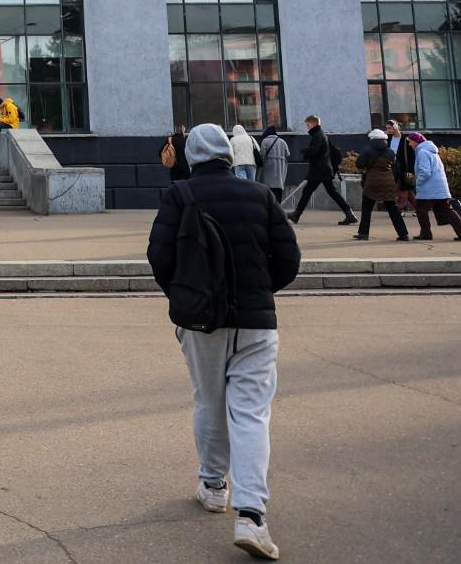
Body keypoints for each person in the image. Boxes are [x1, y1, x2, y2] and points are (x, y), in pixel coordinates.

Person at [147, 123, 301, 562]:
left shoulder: (179, 195)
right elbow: (288, 259)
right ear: (230, 155)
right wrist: (258, 291)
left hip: (202, 324)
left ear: (191, 156)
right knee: (251, 414)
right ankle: (251, 516)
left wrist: (186, 296)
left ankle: (214, 486)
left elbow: (159, 256)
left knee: (209, 402)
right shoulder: (260, 195)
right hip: (256, 321)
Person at [289, 115, 356, 226]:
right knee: (330, 192)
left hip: (319, 170)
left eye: (308, 125)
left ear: (314, 124)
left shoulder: (318, 135)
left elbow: (314, 151)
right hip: (323, 169)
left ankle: (296, 215)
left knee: (308, 191)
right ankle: (349, 214)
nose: (307, 127)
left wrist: (304, 151)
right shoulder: (321, 134)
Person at [410, 133, 461, 241]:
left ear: (416, 141)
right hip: (439, 187)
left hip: (429, 188)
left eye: (410, 141)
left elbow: (425, 172)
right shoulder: (432, 151)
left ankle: (426, 233)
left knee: (421, 209)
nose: (409, 144)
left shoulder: (422, 152)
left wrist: (418, 182)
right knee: (447, 210)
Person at [353, 129, 410, 242]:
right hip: (388, 182)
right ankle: (403, 234)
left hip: (372, 182)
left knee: (367, 208)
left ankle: (363, 233)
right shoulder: (390, 151)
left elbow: (359, 165)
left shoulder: (367, 150)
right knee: (393, 209)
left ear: (372, 138)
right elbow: (396, 167)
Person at [257, 126, 289, 202]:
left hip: (268, 167)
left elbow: (262, 154)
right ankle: (278, 206)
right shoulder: (282, 141)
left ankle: (270, 205)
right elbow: (287, 154)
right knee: (278, 188)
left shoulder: (265, 141)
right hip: (280, 168)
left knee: (268, 188)